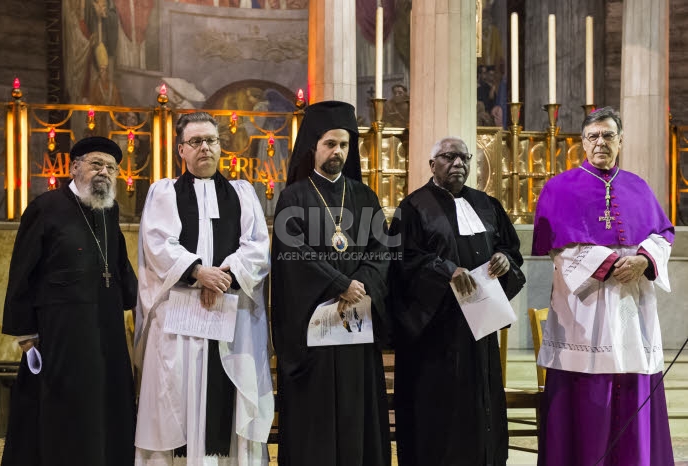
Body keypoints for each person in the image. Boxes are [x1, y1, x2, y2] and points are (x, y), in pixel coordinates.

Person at [532, 106, 676, 466]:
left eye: (608, 136)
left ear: (620, 141)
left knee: (633, 377)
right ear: (582, 142)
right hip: (586, 308)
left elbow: (663, 235)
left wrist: (645, 260)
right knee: (586, 391)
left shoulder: (638, 186)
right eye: (593, 136)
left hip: (632, 303)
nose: (600, 143)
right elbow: (558, 250)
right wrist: (610, 263)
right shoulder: (559, 188)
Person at [134, 112, 273, 465]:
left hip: (230, 317)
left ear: (220, 147)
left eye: (211, 141)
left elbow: (257, 245)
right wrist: (198, 272)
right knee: (174, 398)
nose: (205, 148)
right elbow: (157, 243)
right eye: (195, 142)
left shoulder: (242, 193)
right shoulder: (163, 193)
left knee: (226, 398)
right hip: (179, 322)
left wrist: (223, 274)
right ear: (181, 149)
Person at [388, 136, 526, 466]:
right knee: (439, 415)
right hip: (434, 334)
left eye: (465, 157)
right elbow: (401, 262)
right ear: (432, 164)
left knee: (481, 408)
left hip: (479, 331)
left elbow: (510, 249)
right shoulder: (413, 207)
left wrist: (505, 260)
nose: (459, 163)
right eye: (450, 157)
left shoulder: (487, 205)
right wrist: (445, 270)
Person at [1, 136, 138, 466]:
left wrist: (142, 300)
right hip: (62, 330)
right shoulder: (46, 207)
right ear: (75, 167)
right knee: (68, 411)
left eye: (111, 167)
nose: (104, 172)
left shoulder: (109, 209)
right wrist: (25, 333)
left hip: (107, 328)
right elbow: (22, 270)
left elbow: (117, 265)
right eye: (96, 164)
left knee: (108, 405)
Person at [271, 100, 392, 466]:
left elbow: (382, 251)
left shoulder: (364, 196)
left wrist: (362, 284)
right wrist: (340, 282)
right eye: (329, 144)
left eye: (343, 144)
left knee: (357, 407)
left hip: (356, 328)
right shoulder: (294, 196)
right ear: (314, 146)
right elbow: (293, 255)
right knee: (317, 414)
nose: (337, 151)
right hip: (315, 330)